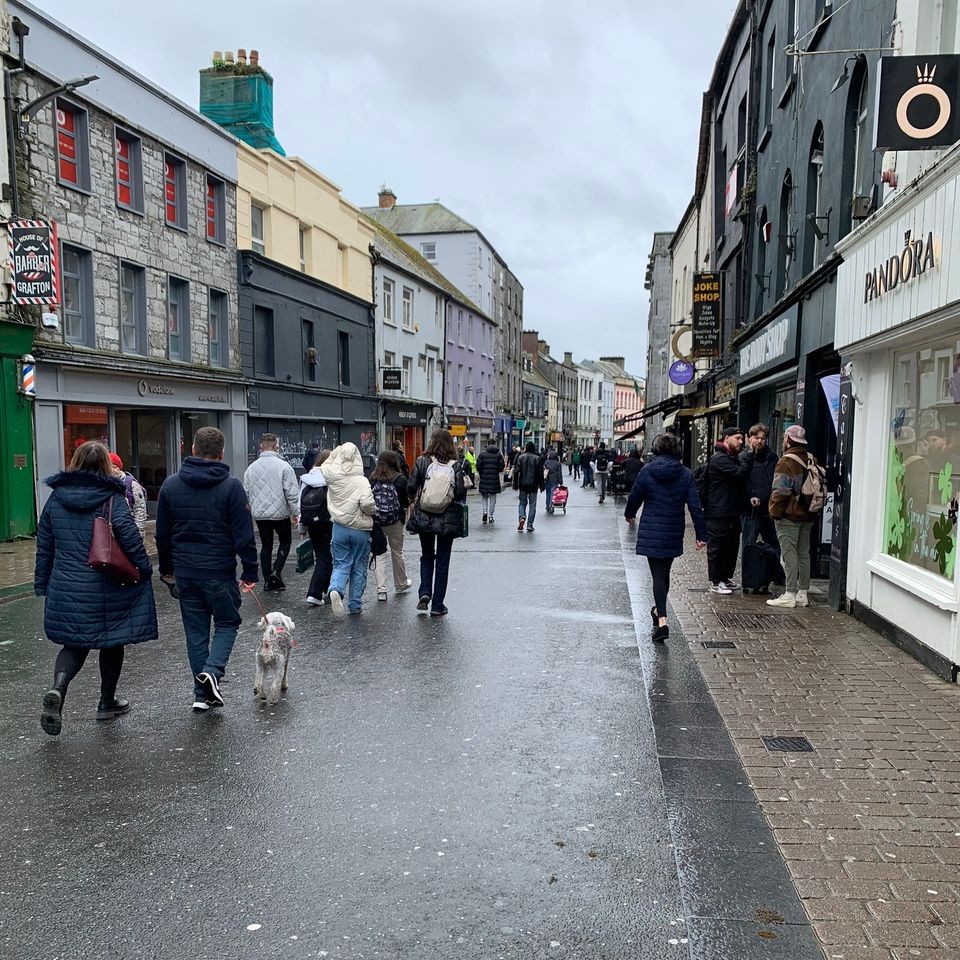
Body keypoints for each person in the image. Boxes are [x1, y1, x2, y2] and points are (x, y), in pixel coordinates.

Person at [34, 441, 158, 736]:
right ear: (106, 465)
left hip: (66, 586)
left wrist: (42, 583)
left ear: (75, 462)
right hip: (106, 584)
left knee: (74, 644)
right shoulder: (112, 499)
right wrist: (145, 569)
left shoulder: (56, 498)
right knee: (112, 640)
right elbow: (129, 539)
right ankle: (106, 702)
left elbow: (44, 545)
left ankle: (58, 689)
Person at [156, 426, 258, 712]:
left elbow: (162, 535)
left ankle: (201, 695)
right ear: (221, 452)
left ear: (192, 450)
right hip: (218, 571)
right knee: (227, 623)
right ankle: (212, 673)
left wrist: (167, 570)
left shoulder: (171, 486)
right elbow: (244, 535)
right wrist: (250, 571)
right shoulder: (231, 487)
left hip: (186, 572)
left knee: (196, 632)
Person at [624, 433, 706, 642]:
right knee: (664, 573)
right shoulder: (686, 474)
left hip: (652, 529)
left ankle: (662, 620)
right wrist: (701, 534)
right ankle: (658, 613)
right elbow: (695, 506)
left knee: (658, 574)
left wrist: (629, 513)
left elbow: (635, 495)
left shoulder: (647, 471)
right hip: (672, 529)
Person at [406, 429, 467, 616]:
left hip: (424, 517)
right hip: (447, 521)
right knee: (442, 561)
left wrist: (413, 498)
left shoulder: (422, 461)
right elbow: (459, 493)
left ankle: (425, 591)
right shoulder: (455, 466)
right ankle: (438, 605)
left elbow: (411, 486)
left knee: (426, 555)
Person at [767, 425, 820, 608]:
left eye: (784, 438)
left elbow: (780, 491)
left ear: (788, 440)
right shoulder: (811, 458)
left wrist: (774, 512)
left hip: (790, 516)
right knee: (803, 553)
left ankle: (789, 593)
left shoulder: (786, 462)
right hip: (809, 514)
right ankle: (802, 593)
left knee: (789, 554)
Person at [322, 442, 376, 615]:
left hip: (339, 527)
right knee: (359, 566)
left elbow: (326, 464)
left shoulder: (332, 478)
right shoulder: (361, 481)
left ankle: (336, 589)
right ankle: (355, 604)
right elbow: (367, 504)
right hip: (360, 529)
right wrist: (371, 511)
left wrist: (337, 451)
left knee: (341, 564)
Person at [243, 434, 299, 591]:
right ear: (277, 446)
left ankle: (268, 580)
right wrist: (295, 512)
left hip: (260, 514)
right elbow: (291, 492)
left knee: (266, 545)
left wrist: (251, 507)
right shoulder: (284, 467)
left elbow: (245, 492)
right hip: (280, 512)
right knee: (285, 541)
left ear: (261, 447)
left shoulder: (251, 468)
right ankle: (276, 571)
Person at [703, 426, 753, 594]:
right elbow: (740, 474)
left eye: (742, 438)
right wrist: (748, 454)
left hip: (731, 510)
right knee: (717, 547)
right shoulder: (720, 459)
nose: (741, 442)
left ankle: (725, 578)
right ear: (726, 438)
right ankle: (716, 581)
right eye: (738, 438)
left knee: (731, 546)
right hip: (718, 511)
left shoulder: (731, 457)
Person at [741, 424, 781, 595]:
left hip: (769, 509)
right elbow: (741, 480)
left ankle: (766, 580)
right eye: (756, 437)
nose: (759, 441)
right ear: (749, 438)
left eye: (763, 438)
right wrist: (750, 495)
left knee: (773, 545)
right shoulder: (744, 457)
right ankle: (749, 580)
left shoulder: (772, 457)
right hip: (751, 510)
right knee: (749, 545)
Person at [369, 451, 412, 600]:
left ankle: (381, 590)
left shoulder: (373, 479)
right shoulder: (400, 479)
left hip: (376, 522)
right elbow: (406, 502)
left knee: (379, 554)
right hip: (395, 520)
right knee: (397, 552)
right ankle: (401, 584)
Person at [299, 449, 333, 606]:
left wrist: (302, 527)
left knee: (322, 555)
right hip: (327, 521)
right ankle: (315, 592)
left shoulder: (308, 477)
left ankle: (324, 590)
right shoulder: (331, 476)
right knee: (325, 557)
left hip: (311, 522)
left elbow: (300, 501)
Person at [108, 452, 148, 535]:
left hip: (130, 530)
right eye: (109, 467)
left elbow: (140, 509)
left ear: (119, 468)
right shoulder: (106, 484)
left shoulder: (131, 484)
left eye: (114, 467)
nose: (112, 470)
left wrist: (138, 531)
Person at [513, 441, 544, 532]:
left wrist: (515, 483)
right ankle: (530, 525)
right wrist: (541, 484)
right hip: (533, 484)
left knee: (522, 503)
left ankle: (522, 517)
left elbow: (516, 471)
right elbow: (540, 473)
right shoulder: (537, 458)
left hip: (523, 484)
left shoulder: (521, 458)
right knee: (532, 505)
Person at [476, 441, 505, 523]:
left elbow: (478, 466)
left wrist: (482, 472)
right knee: (493, 498)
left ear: (488, 444)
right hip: (494, 479)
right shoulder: (499, 455)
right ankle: (491, 516)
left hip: (484, 479)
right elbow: (502, 466)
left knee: (484, 497)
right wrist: (496, 471)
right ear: (495, 444)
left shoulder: (482, 455)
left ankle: (485, 512)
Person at [543, 448, 563, 514]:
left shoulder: (546, 462)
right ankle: (551, 505)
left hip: (547, 479)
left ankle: (547, 505)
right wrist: (560, 481)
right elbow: (559, 473)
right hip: (555, 479)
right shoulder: (558, 463)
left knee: (548, 493)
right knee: (552, 493)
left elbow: (544, 471)